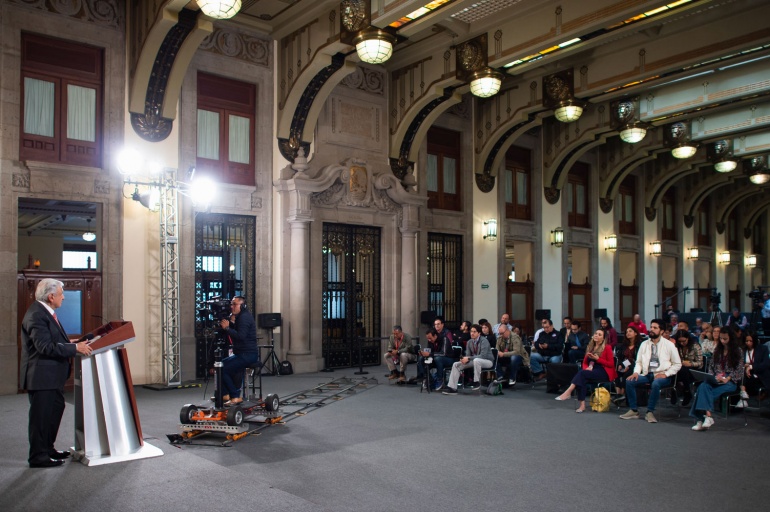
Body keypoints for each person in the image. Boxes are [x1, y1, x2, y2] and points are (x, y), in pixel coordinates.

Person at [20, 278, 93, 468]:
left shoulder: (45, 312)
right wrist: (74, 348)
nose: (64, 297)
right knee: (41, 418)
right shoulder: (36, 315)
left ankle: (48, 448)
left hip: (51, 377)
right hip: (41, 377)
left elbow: (51, 339)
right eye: (61, 294)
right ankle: (38, 456)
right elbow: (44, 347)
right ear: (51, 296)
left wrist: (71, 343)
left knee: (55, 410)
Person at [619, 318, 682, 423]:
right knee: (629, 381)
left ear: (661, 331)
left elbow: (677, 364)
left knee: (656, 384)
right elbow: (639, 362)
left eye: (655, 328)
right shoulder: (644, 344)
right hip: (646, 374)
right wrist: (636, 372)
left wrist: (666, 374)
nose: (651, 329)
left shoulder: (669, 345)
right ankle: (634, 410)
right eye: (651, 327)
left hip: (662, 375)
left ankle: (650, 412)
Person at [690, 328, 744, 430]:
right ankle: (708, 416)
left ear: (731, 338)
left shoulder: (738, 351)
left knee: (701, 392)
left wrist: (727, 378)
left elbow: (739, 370)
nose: (723, 341)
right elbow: (711, 367)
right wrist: (713, 377)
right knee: (703, 385)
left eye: (725, 339)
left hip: (730, 381)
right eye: (721, 338)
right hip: (717, 378)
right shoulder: (717, 350)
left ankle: (701, 419)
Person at [556, 329, 617, 412]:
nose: (596, 335)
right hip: (591, 370)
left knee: (581, 374)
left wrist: (598, 359)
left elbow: (611, 364)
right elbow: (585, 362)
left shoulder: (607, 347)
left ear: (603, 338)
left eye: (599, 335)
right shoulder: (590, 347)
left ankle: (569, 392)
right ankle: (582, 405)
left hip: (603, 371)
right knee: (581, 378)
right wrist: (587, 368)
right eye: (596, 333)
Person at [219, 296, 259, 405]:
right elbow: (239, 331)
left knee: (222, 369)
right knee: (220, 366)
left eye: (234, 304)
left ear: (242, 306)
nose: (231, 306)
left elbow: (241, 336)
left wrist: (227, 328)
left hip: (248, 354)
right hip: (242, 353)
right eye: (231, 304)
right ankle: (225, 394)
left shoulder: (244, 317)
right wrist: (232, 324)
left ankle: (235, 396)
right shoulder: (241, 316)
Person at [443, 324, 494, 395]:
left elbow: (483, 355)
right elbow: (468, 355)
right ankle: (452, 388)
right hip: (475, 361)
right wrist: (464, 359)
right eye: (471, 331)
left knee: (477, 360)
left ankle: (477, 382)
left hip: (487, 361)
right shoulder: (469, 342)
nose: (472, 333)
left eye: (474, 332)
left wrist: (469, 358)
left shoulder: (484, 341)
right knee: (456, 364)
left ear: (479, 333)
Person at [736, 332, 769, 408]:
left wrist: (751, 367)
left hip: (759, 375)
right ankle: (743, 395)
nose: (748, 343)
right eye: (746, 341)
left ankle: (743, 397)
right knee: (740, 372)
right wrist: (745, 366)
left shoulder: (763, 349)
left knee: (741, 374)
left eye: (750, 341)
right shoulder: (742, 350)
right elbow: (738, 363)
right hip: (746, 375)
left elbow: (765, 364)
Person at [673, 330, 703, 407]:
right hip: (680, 368)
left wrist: (690, 364)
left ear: (688, 338)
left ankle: (686, 392)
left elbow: (700, 363)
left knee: (684, 370)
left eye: (684, 341)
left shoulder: (695, 346)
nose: (682, 343)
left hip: (694, 369)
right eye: (680, 341)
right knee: (674, 371)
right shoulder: (677, 346)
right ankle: (676, 390)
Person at [614, 326, 642, 405]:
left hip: (635, 366)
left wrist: (629, 366)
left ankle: (623, 395)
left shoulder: (640, 345)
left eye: (630, 331)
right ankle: (618, 394)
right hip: (625, 364)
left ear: (635, 333)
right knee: (616, 373)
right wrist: (620, 364)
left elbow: (638, 359)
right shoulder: (623, 345)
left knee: (626, 374)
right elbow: (619, 357)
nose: (628, 333)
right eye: (626, 332)